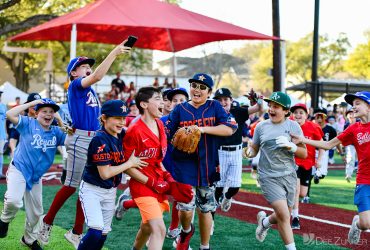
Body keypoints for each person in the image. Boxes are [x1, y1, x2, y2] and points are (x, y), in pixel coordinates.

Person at [38, 39, 132, 248]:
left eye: (89, 66)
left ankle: (76, 232)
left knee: (87, 184)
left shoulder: (88, 91)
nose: (89, 70)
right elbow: (99, 75)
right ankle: (46, 222)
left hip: (91, 136)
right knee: (72, 185)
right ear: (73, 73)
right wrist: (114, 53)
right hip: (82, 138)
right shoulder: (76, 85)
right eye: (84, 67)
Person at [166, 73, 238, 250]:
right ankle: (186, 230)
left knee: (206, 208)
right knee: (185, 206)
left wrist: (201, 129)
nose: (197, 90)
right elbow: (168, 134)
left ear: (209, 92)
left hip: (208, 164)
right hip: (184, 164)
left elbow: (229, 129)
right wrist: (177, 137)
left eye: (202, 87)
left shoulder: (215, 106)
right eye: (194, 85)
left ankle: (204, 246)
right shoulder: (179, 109)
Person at [291, 91, 370, 245]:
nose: (353, 107)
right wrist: (303, 139)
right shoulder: (353, 129)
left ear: (369, 106)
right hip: (364, 180)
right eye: (352, 104)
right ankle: (357, 224)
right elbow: (327, 145)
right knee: (366, 224)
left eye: (358, 103)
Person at [77, 100, 147, 250]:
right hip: (92, 190)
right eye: (117, 118)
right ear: (104, 118)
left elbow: (138, 134)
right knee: (95, 230)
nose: (121, 122)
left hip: (110, 191)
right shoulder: (99, 139)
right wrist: (130, 163)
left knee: (103, 234)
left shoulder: (121, 133)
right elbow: (105, 173)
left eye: (123, 118)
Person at [0, 98, 66, 250]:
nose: (48, 114)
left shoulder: (56, 131)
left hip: (36, 177)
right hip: (19, 169)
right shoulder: (28, 123)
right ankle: (4, 220)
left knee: (36, 212)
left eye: (51, 112)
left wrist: (60, 119)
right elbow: (10, 113)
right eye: (44, 111)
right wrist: (32, 104)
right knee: (14, 201)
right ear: (36, 113)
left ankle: (28, 240)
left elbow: (69, 137)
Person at [246, 92, 307, 250]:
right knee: (285, 215)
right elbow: (254, 148)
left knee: (282, 214)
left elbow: (304, 153)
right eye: (270, 106)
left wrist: (292, 146)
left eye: (276, 107)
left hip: (289, 176)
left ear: (286, 110)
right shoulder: (261, 126)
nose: (271, 109)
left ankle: (265, 222)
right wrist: (249, 152)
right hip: (268, 177)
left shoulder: (293, 126)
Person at [120, 87, 174, 249]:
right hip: (142, 185)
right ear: (143, 104)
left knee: (147, 227)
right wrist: (151, 182)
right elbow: (126, 166)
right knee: (159, 230)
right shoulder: (134, 131)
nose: (162, 102)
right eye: (157, 98)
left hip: (157, 183)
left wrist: (167, 175)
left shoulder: (159, 124)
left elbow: (158, 159)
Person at [212, 87, 262, 212]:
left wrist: (258, 99)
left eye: (225, 99)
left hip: (236, 152)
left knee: (235, 187)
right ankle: (211, 217)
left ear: (231, 100)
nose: (223, 102)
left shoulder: (238, 111)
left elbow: (258, 108)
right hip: (220, 152)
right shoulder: (212, 114)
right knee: (218, 185)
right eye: (219, 100)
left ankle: (227, 197)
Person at [289, 103, 324, 230]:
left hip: (308, 163)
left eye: (301, 112)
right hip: (293, 163)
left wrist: (319, 160)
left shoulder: (314, 127)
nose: (298, 115)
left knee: (303, 194)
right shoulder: (288, 125)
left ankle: (291, 200)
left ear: (306, 115)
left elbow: (322, 145)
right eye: (295, 112)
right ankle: (295, 218)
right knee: (296, 189)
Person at [161, 87, 189, 239]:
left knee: (180, 199)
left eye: (182, 100)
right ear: (170, 104)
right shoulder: (162, 121)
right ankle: (126, 203)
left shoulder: (193, 122)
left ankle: (173, 228)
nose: (178, 103)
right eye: (175, 101)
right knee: (157, 199)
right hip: (163, 166)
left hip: (182, 168)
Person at [344, 108, 357, 182]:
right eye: (349, 114)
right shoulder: (346, 125)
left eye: (352, 113)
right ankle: (348, 175)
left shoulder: (360, 122)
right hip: (350, 144)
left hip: (360, 143)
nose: (351, 115)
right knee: (350, 158)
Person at [0, 91, 7, 179]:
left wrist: (6, 133)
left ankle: (0, 172)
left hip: (1, 134)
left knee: (1, 153)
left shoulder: (3, 106)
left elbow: (5, 120)